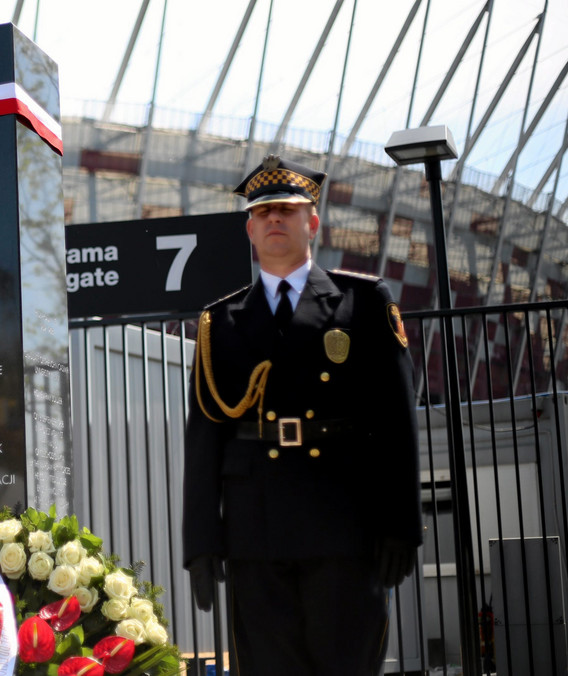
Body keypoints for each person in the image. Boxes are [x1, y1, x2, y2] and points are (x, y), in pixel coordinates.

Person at [182, 156, 422, 675]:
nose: (275, 220)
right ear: (249, 228)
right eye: (264, 212)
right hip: (254, 531)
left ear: (312, 222)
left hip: (344, 525)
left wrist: (402, 523)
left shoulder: (361, 302)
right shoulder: (219, 322)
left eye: (288, 210)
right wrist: (201, 542)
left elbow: (397, 422)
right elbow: (205, 438)